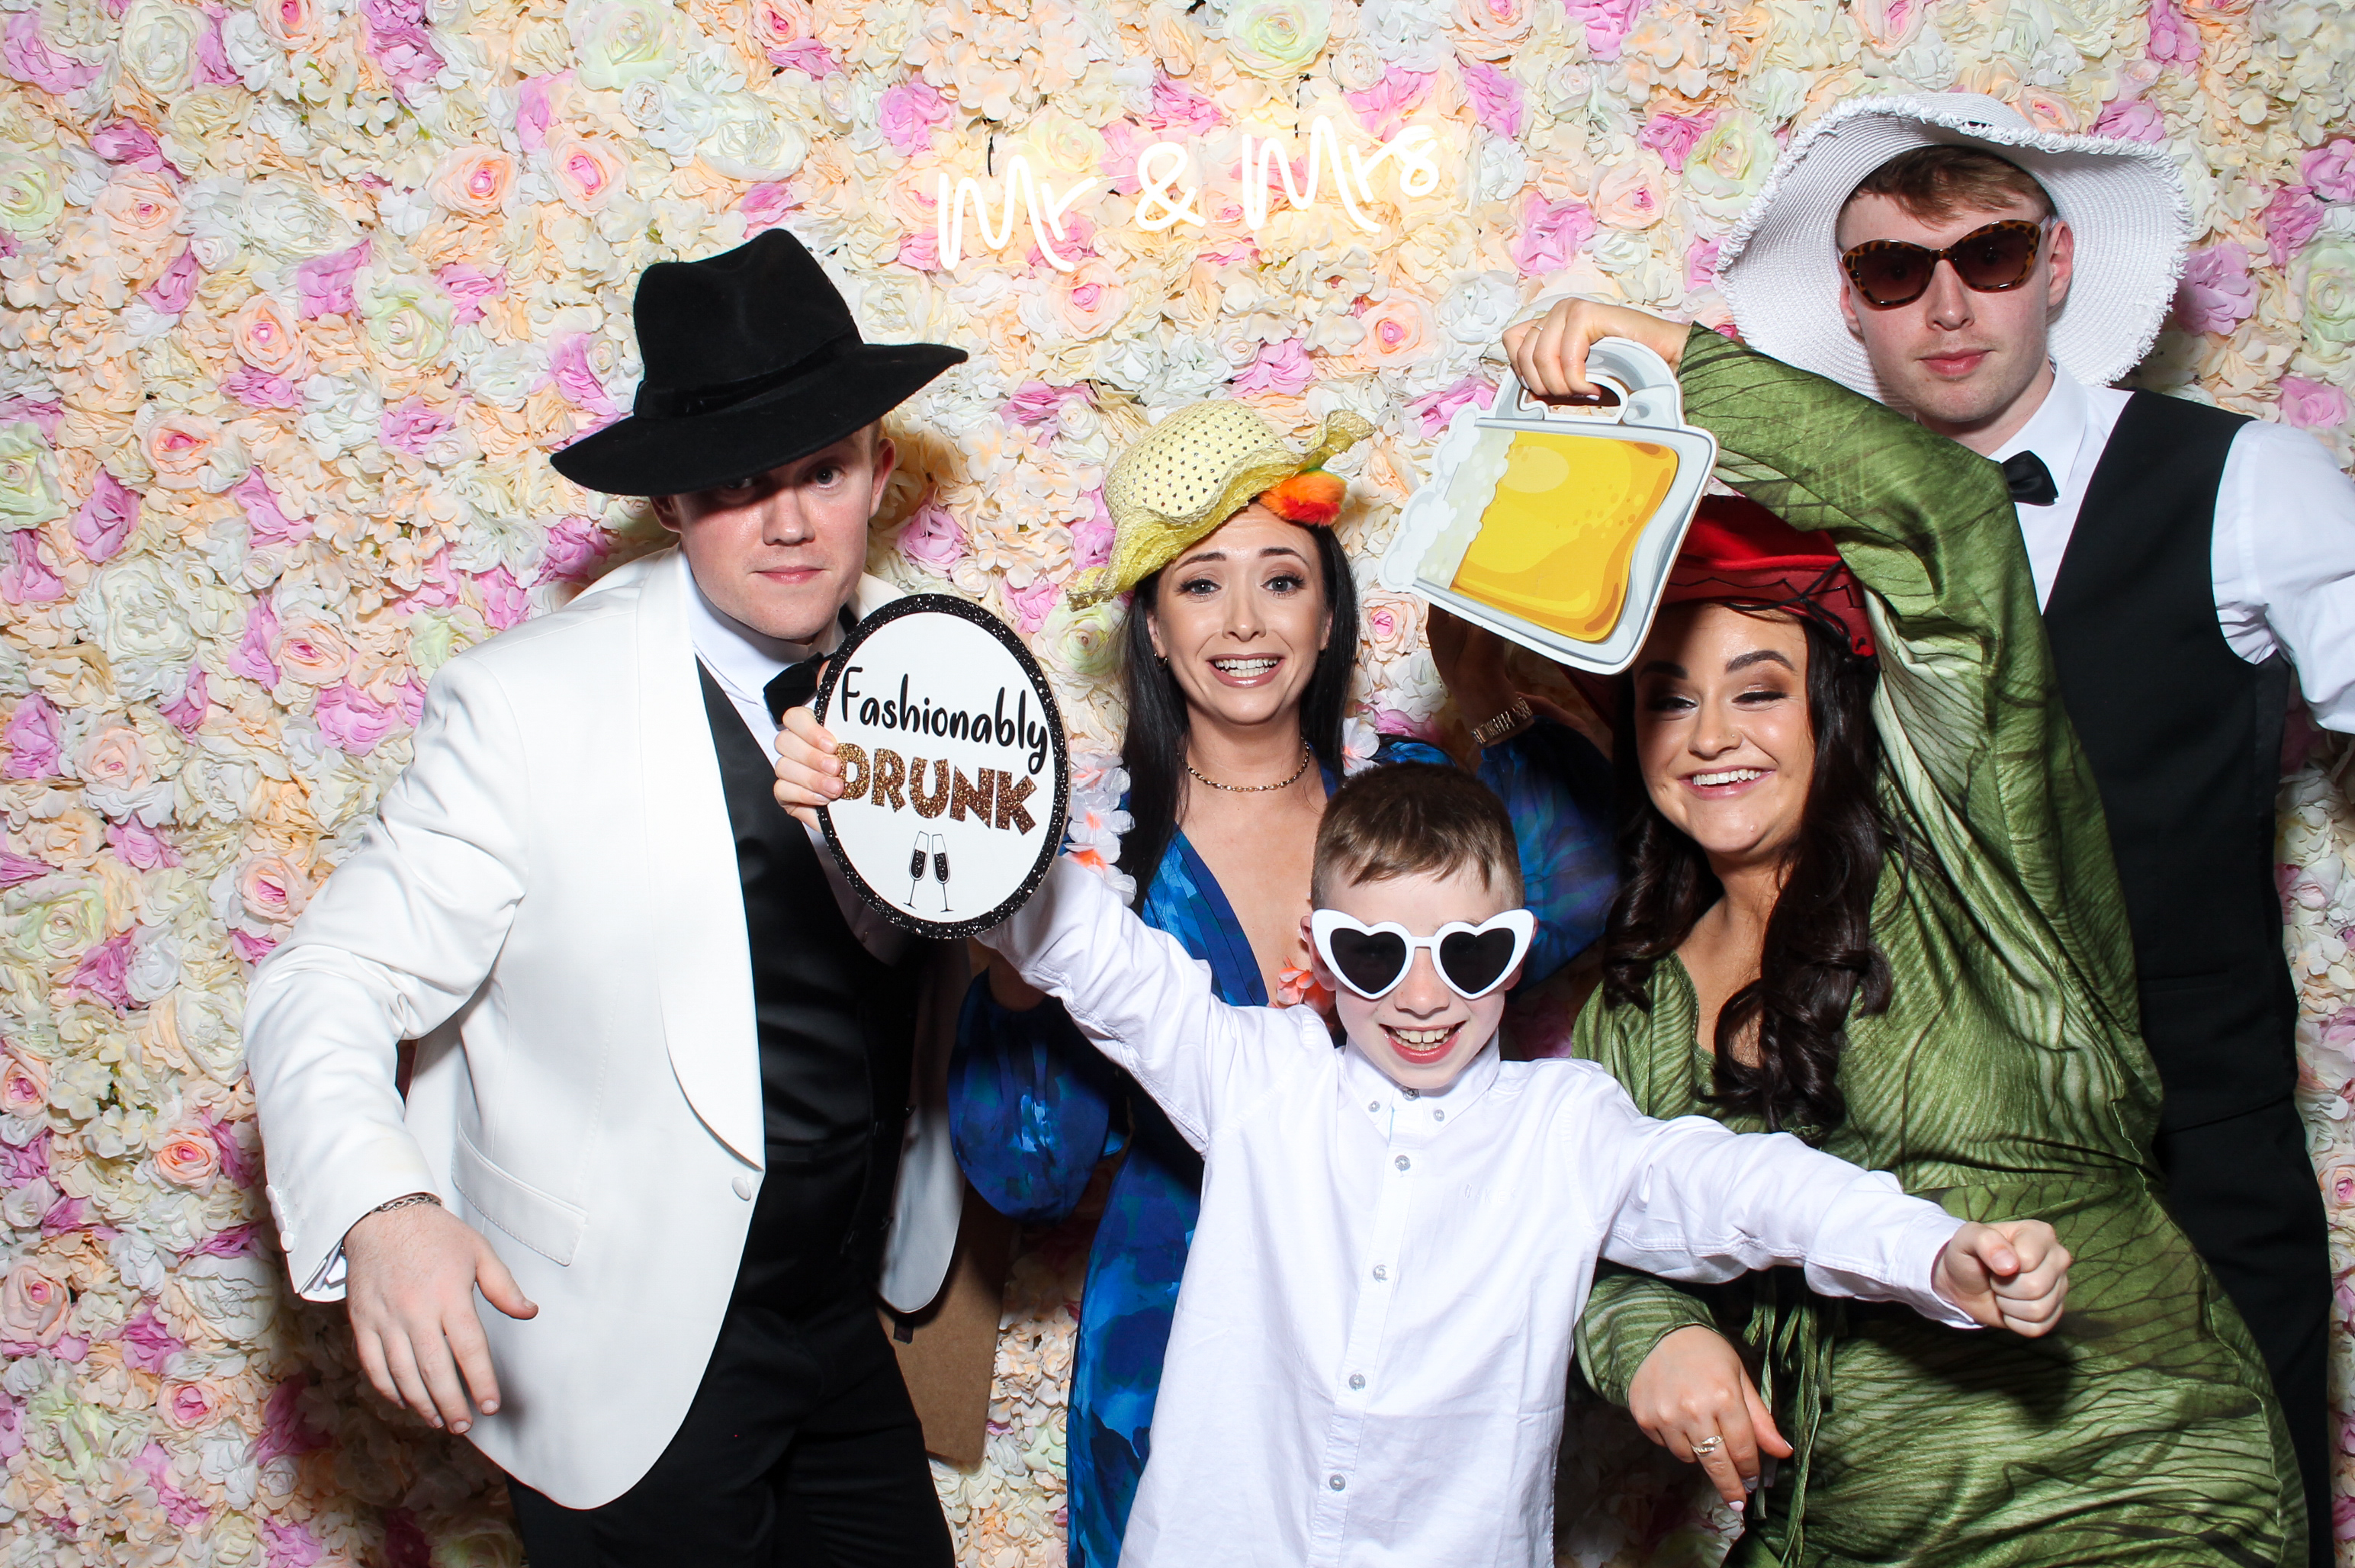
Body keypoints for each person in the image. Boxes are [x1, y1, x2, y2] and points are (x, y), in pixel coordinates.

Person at [1505, 298, 2305, 1563]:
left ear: (1831, 709)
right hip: (1831, 1524)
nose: (1712, 737)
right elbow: (1591, 1230)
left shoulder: (1979, 872)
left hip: (2122, 1494)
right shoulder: (1637, 1003)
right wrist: (1654, 1336)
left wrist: (1671, 363)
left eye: (1759, 691)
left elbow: (1950, 522)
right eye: (1669, 701)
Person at [243, 230, 982, 1566]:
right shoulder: (527, 706)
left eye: (822, 470)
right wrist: (384, 1211)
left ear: (879, 473)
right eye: (740, 482)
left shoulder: (947, 681)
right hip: (626, 1353)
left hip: (841, 1317)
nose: (790, 523)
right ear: (672, 502)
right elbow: (325, 980)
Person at [778, 397, 1619, 1563]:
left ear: (1329, 614)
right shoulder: (1084, 852)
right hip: (1171, 1344)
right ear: (1155, 630)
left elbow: (1577, 889)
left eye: (1282, 580)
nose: (1244, 621)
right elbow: (1027, 1173)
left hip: (1413, 1330)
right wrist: (1012, 938)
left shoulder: (1409, 798)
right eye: (1199, 584)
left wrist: (1489, 691)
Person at [1707, 93, 2347, 1557]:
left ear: (2056, 265)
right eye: (1896, 270)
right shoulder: (1793, 536)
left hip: (2196, 1148)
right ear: (1851, 307)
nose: (1947, 306)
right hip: (1914, 1175)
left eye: (1988, 256)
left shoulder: (2243, 478)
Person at [948, 761, 2068, 1566]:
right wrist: (920, 800)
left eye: (1469, 954)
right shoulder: (1258, 1083)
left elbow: (1740, 1186)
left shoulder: (1565, 1131)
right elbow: (1101, 956)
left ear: (1520, 950)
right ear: (1319, 955)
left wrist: (1930, 1252)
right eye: (1374, 953)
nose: (1423, 996)